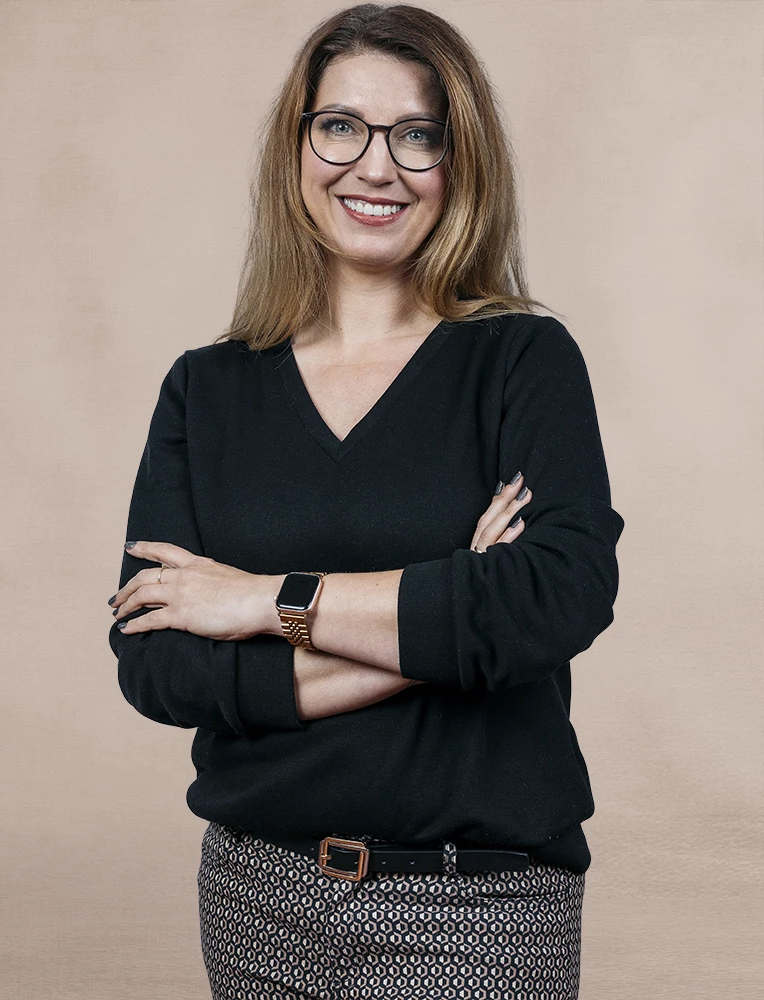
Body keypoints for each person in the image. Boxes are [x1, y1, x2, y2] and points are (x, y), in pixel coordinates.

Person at [107, 4, 625, 998]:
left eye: (416, 134)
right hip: (255, 893)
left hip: (475, 905)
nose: (375, 167)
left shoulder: (522, 359)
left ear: (459, 161)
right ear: (296, 145)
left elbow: (552, 601)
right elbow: (157, 658)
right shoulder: (205, 388)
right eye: (340, 126)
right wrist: (448, 614)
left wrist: (259, 601)